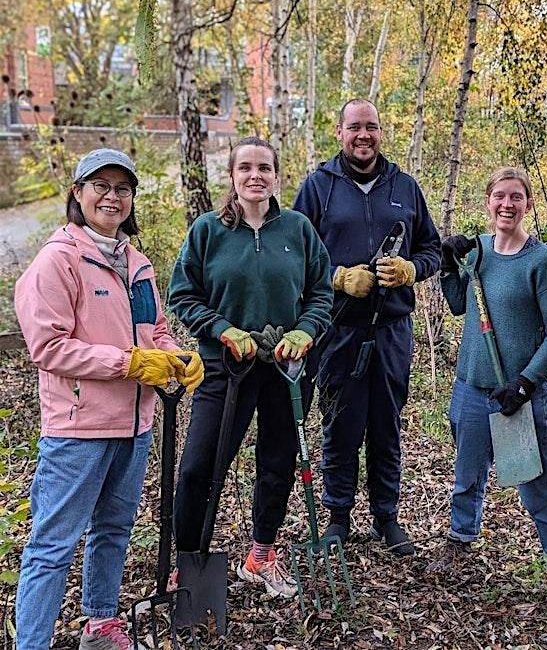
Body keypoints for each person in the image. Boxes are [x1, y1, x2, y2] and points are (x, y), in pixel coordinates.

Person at [13, 148, 204, 649]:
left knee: (113, 530)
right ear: (78, 193)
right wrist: (128, 363)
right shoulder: (58, 260)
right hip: (79, 428)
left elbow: (155, 330)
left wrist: (174, 356)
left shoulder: (136, 262)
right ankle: (32, 642)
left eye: (122, 188)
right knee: (52, 546)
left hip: (135, 424)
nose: (112, 197)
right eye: (101, 186)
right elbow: (48, 347)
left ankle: (100, 626)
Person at [168, 136, 332, 599]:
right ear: (233, 177)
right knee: (200, 465)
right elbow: (183, 294)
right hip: (225, 367)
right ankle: (189, 563)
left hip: (285, 367)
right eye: (246, 168)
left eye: (264, 167)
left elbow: (322, 291)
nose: (255, 175)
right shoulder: (207, 231)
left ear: (277, 176)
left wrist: (306, 330)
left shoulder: (298, 229)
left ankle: (261, 556)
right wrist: (221, 328)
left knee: (277, 463)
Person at [292, 98, 441, 556]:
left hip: (392, 329)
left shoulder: (405, 187)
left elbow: (432, 249)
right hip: (338, 329)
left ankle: (386, 517)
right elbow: (294, 255)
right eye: (354, 127)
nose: (363, 136)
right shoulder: (318, 188)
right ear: (339, 132)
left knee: (386, 423)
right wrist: (337, 277)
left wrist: (412, 270)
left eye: (371, 127)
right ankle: (337, 516)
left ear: (381, 133)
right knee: (340, 422)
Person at [430, 167, 547, 609]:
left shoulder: (542, 261)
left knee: (533, 484)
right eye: (499, 196)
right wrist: (447, 265)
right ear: (488, 200)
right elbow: (459, 305)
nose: (506, 205)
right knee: (466, 476)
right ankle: (461, 539)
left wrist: (526, 383)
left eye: (516, 197)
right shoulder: (477, 251)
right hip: (472, 389)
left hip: (517, 394)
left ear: (528, 204)